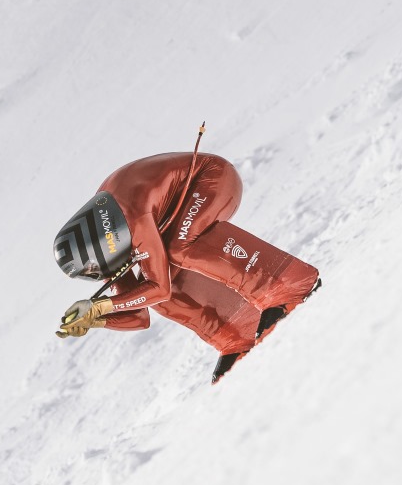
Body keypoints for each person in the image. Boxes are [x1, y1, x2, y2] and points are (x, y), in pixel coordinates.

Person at [53, 150, 320, 383]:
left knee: (177, 250)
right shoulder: (108, 241)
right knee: (154, 283)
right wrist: (96, 319)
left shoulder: (132, 214)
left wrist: (101, 306)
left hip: (212, 178)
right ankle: (237, 334)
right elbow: (140, 314)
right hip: (176, 212)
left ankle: (289, 284)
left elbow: (159, 288)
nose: (107, 275)